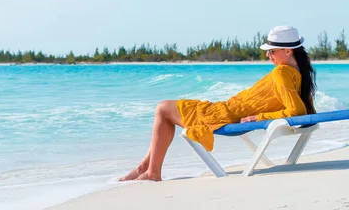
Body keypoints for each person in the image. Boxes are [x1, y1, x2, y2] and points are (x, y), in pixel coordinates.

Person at [119, 25, 316, 182]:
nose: (268, 55)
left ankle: (151, 171)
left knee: (163, 108)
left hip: (226, 114)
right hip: (228, 109)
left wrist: (259, 117)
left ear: (288, 50)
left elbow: (296, 110)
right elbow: (301, 107)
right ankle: (146, 168)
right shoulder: (298, 73)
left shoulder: (282, 72)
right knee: (165, 110)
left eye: (272, 51)